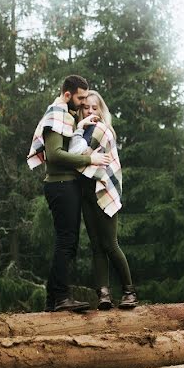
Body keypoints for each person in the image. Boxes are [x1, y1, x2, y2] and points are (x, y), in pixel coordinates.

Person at [26, 75, 111, 312]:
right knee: (66, 242)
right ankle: (62, 297)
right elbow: (54, 155)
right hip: (61, 186)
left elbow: (66, 142)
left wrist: (82, 126)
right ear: (67, 95)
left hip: (64, 185)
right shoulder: (57, 115)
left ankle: (53, 300)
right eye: (81, 97)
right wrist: (89, 158)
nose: (84, 102)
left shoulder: (65, 115)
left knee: (67, 241)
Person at [69, 90, 137, 310]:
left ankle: (129, 292)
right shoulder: (82, 130)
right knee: (97, 246)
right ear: (80, 110)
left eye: (94, 107)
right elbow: (78, 156)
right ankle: (104, 295)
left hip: (103, 189)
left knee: (110, 244)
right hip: (87, 192)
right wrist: (79, 130)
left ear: (101, 109)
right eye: (85, 107)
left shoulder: (100, 129)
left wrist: (78, 132)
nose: (90, 111)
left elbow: (76, 155)